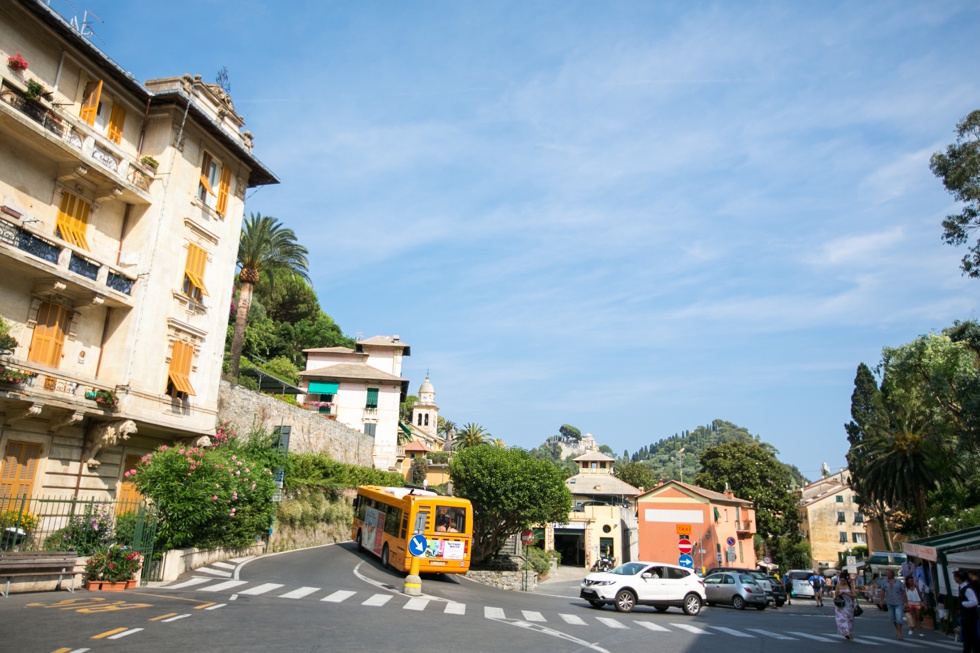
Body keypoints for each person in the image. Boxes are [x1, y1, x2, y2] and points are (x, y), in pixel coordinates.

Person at [953, 569, 979, 653]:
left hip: (970, 616)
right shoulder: (962, 588)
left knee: (971, 635)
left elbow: (974, 601)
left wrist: (963, 604)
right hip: (965, 616)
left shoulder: (967, 589)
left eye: (955, 577)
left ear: (958, 578)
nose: (954, 579)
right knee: (967, 635)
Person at [879, 569, 908, 639]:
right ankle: (898, 630)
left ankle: (899, 633)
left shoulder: (898, 582)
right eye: (886, 573)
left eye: (888, 573)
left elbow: (903, 592)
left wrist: (905, 602)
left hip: (899, 602)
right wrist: (881, 600)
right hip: (890, 602)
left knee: (899, 618)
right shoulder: (884, 582)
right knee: (892, 619)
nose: (887, 574)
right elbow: (882, 591)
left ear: (892, 573)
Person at [835, 570, 857, 640]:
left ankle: (849, 632)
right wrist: (840, 593)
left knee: (849, 618)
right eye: (841, 580)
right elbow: (836, 594)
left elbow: (854, 595)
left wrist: (847, 594)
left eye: (843, 580)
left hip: (849, 604)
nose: (842, 582)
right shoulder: (838, 586)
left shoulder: (850, 586)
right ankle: (845, 632)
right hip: (840, 605)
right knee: (842, 618)